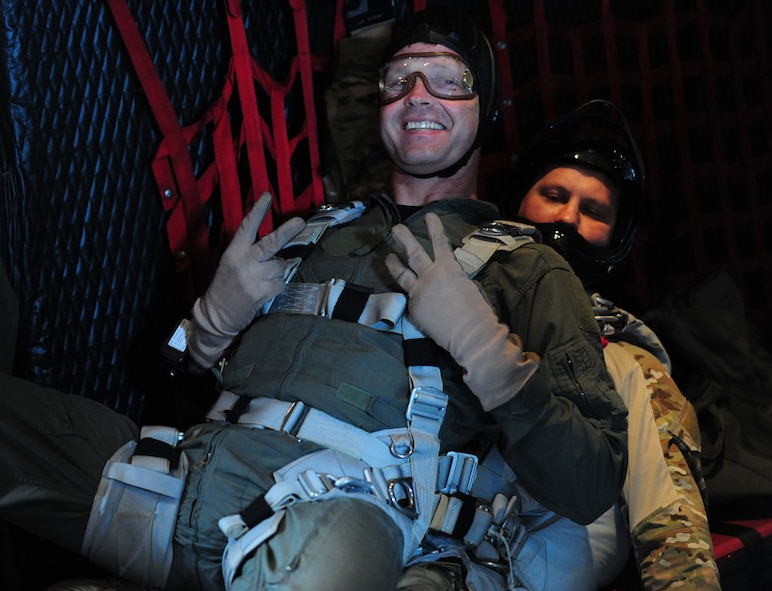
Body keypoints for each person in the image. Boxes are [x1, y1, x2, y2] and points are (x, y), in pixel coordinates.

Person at [0, 8, 628, 591]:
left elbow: (589, 485)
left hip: (344, 513)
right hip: (175, 482)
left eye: (448, 79)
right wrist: (206, 327)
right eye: (400, 77)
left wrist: (486, 353)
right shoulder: (312, 233)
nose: (418, 95)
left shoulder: (529, 268)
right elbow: (164, 383)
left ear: (486, 108)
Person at [500, 98, 723, 590]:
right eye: (553, 194)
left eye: (593, 210)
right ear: (519, 201)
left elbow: (675, 540)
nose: (566, 219)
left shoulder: (623, 362)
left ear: (614, 239)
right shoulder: (456, 309)